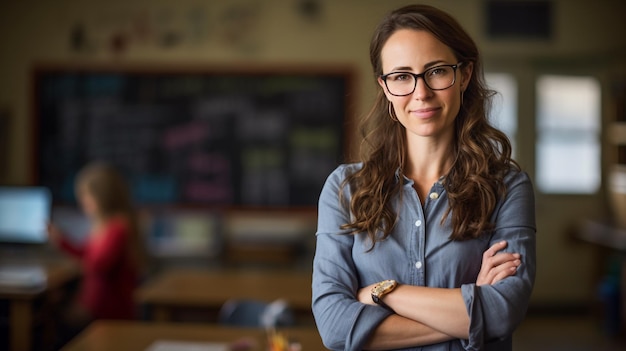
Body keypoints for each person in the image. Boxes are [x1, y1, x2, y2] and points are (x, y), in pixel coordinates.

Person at [312, 4, 536, 351]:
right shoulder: (345, 189)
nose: (421, 93)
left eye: (436, 71)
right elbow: (334, 326)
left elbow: (503, 312)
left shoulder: (506, 187)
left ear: (464, 75)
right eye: (402, 76)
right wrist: (468, 313)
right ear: (385, 88)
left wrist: (381, 293)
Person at [47, 161, 145, 328]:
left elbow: (97, 264)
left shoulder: (118, 227)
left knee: (52, 314)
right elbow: (86, 254)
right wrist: (60, 240)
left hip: (108, 312)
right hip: (95, 306)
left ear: (101, 197)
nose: (82, 202)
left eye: (85, 196)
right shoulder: (103, 225)